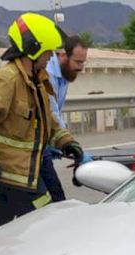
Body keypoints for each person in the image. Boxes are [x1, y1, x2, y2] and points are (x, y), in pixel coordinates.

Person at [0, 13, 85, 240]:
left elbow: (48, 121)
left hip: (24, 173)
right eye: (47, 52)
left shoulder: (37, 81)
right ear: (32, 49)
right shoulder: (6, 80)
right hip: (10, 173)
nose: (50, 57)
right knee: (45, 217)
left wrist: (67, 143)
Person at [41, 34, 89, 202]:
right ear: (63, 55)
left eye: (83, 62)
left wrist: (58, 143)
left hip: (42, 143)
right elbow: (52, 112)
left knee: (51, 198)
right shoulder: (47, 74)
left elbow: (55, 115)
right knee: (54, 199)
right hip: (33, 147)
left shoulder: (64, 74)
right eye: (78, 62)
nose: (80, 67)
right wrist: (67, 144)